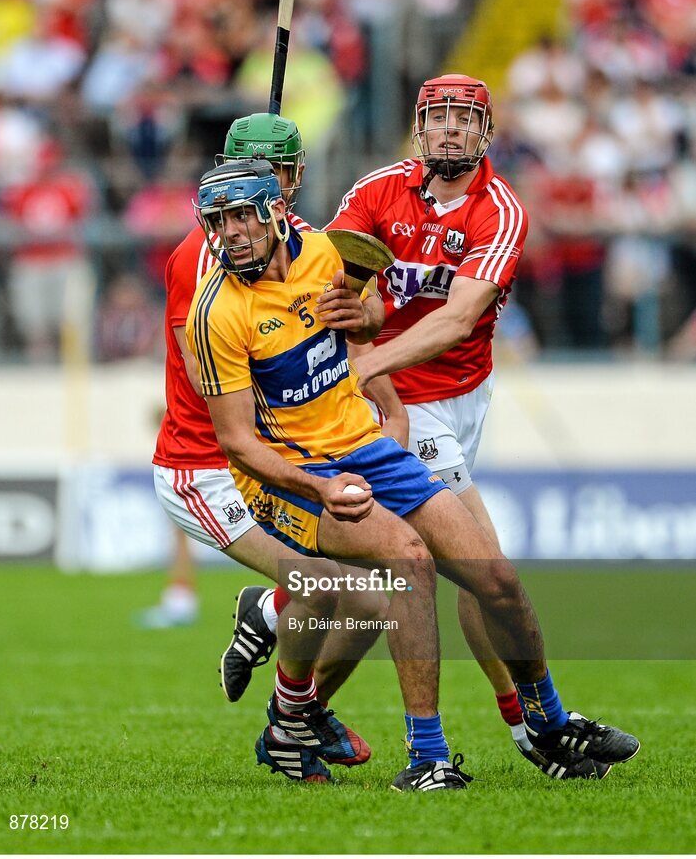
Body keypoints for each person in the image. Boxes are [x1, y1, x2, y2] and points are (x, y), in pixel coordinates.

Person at [186, 157, 640, 791]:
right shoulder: (216, 314)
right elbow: (237, 444)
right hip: (291, 475)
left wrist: (360, 313)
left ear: (274, 213)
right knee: (408, 562)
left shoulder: (323, 252)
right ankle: (427, 756)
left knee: (496, 579)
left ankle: (550, 719)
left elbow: (370, 325)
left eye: (242, 216)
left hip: (368, 448)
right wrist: (318, 487)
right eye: (217, 222)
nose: (230, 233)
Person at [325, 72, 622, 778]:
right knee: (486, 572)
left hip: (464, 397)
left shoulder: (500, 211)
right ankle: (536, 724)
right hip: (402, 402)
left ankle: (294, 690)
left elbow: (459, 318)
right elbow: (338, 292)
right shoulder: (371, 194)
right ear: (418, 130)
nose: (450, 129)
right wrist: (367, 366)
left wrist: (367, 360)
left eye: (465, 118)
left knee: (471, 577)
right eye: (437, 117)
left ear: (486, 132)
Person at [147, 112, 394, 782]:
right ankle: (293, 724)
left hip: (278, 463)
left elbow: (358, 329)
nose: (251, 218)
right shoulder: (195, 263)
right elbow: (207, 381)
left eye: (277, 186)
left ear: (291, 187)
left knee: (375, 602)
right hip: (207, 469)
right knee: (318, 587)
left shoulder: (310, 247)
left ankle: (297, 707)